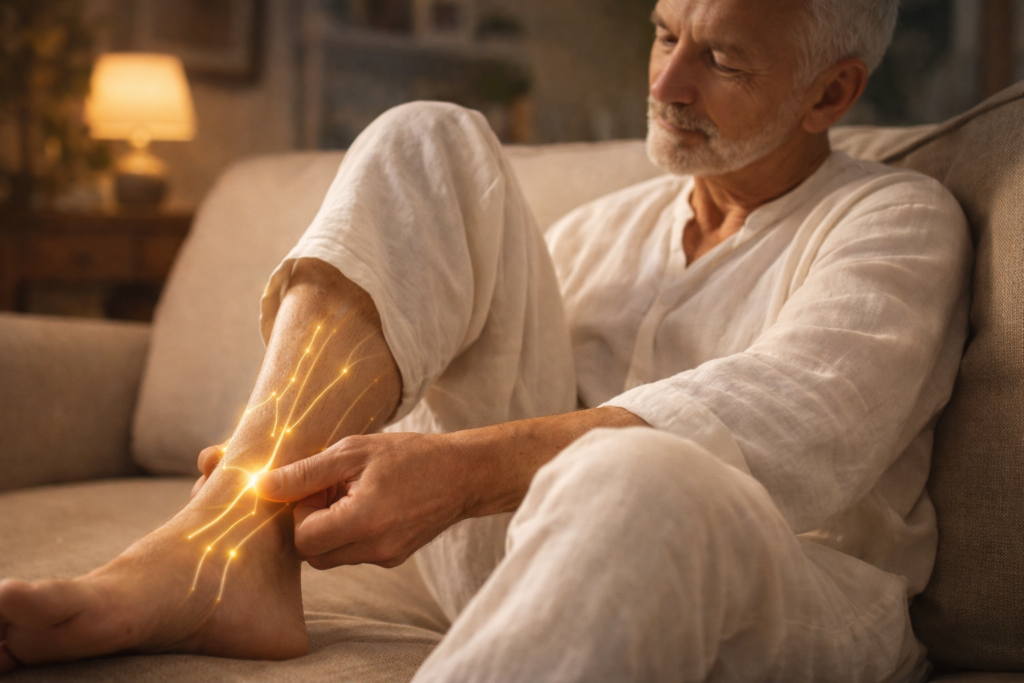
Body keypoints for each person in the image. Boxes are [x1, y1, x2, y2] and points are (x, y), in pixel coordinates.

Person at [0, 0, 971, 680]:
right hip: (524, 554)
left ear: (829, 94)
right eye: (664, 33)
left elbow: (791, 426)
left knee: (630, 473)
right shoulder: (600, 231)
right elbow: (445, 372)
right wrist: (307, 462)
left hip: (786, 595)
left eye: (720, 60)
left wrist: (453, 471)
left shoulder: (896, 220)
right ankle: (224, 541)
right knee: (426, 137)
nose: (667, 80)